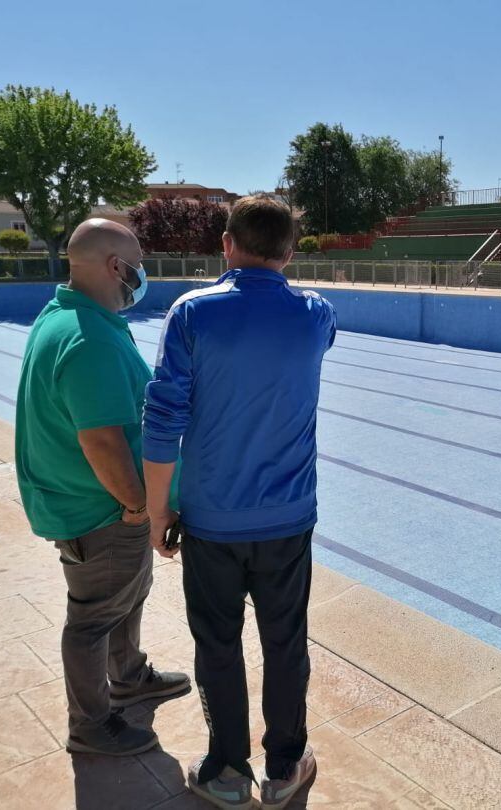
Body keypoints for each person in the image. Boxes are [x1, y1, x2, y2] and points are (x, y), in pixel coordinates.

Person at [143, 195, 336, 810]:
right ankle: (285, 767)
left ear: (226, 243)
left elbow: (162, 420)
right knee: (286, 643)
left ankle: (227, 770)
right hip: (287, 521)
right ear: (290, 250)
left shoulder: (192, 313)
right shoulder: (316, 314)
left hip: (211, 521)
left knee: (217, 645)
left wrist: (157, 513)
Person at [15, 218, 189, 756]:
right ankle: (90, 725)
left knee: (125, 597)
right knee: (93, 619)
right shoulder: (87, 339)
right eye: (137, 263)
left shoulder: (68, 314)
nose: (141, 274)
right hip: (100, 510)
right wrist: (138, 505)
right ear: (117, 267)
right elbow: (102, 442)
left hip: (94, 505)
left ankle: (129, 676)